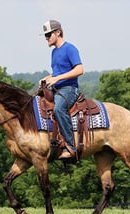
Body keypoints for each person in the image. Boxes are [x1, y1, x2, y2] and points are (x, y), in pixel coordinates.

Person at [40, 20, 84, 159]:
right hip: (56, 88)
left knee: (58, 109)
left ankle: (71, 147)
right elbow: (57, 73)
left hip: (69, 88)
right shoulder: (54, 52)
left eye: (48, 34)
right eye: (45, 35)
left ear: (58, 32)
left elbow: (79, 69)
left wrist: (57, 79)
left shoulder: (70, 48)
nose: (46, 38)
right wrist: (47, 78)